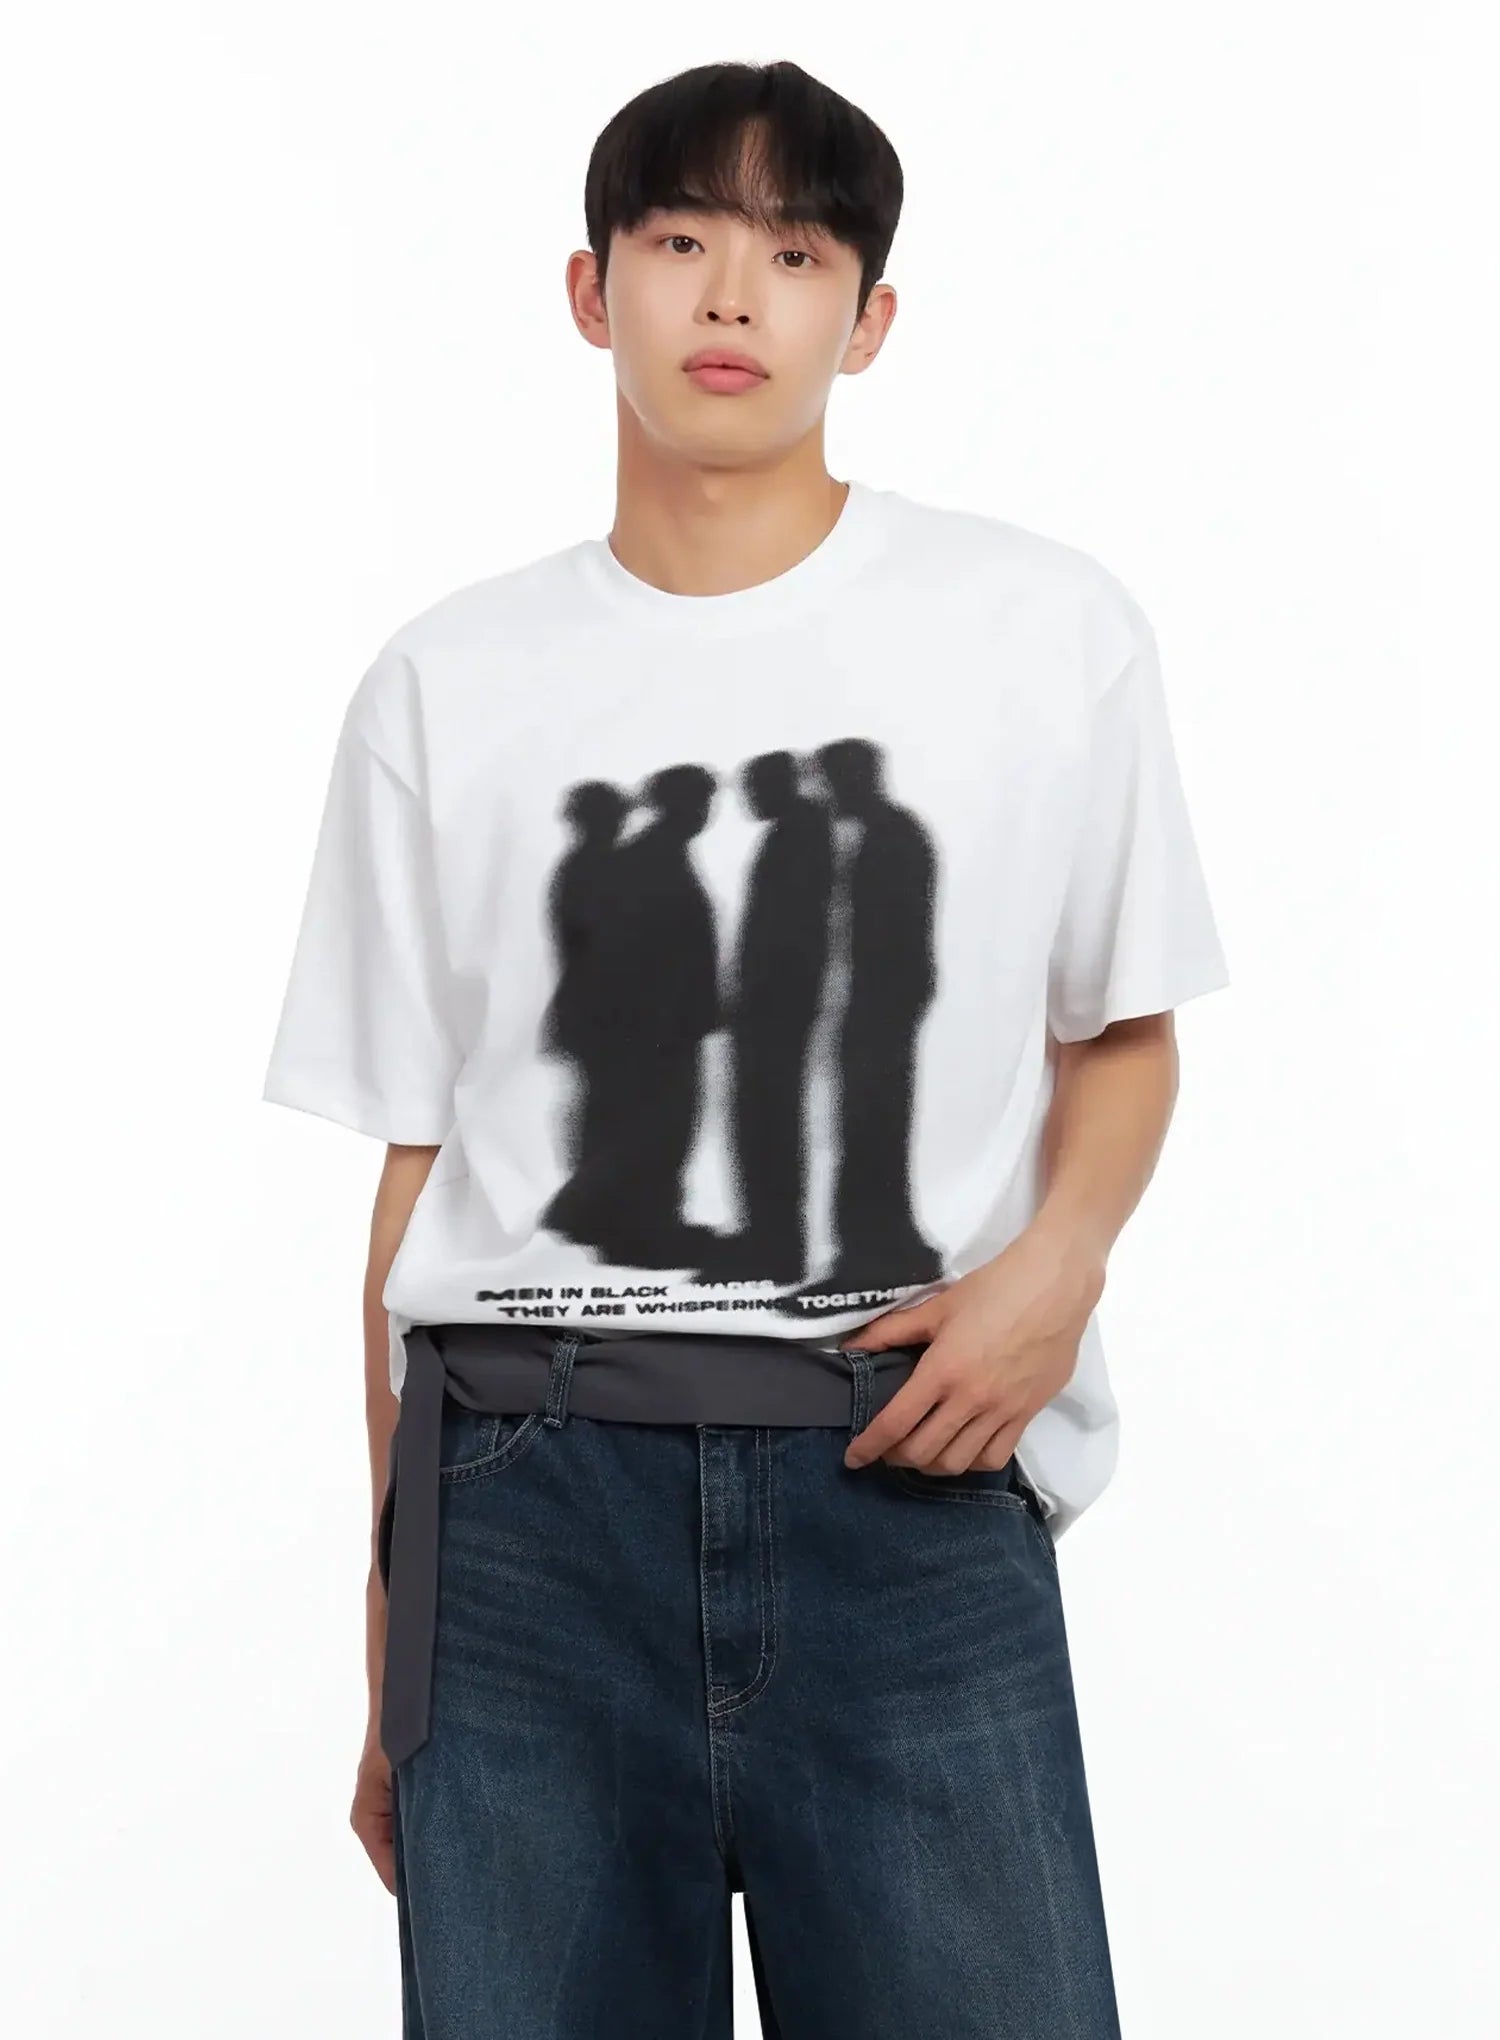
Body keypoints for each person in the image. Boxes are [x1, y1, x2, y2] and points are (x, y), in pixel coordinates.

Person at [261, 57, 1230, 2040]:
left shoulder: (1041, 629)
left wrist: (1056, 1274)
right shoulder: (447, 681)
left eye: (794, 256)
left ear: (869, 321)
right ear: (589, 288)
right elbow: (416, 1173)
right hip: (526, 1502)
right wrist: (391, 1635)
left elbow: (1124, 1028)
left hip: (907, 1469)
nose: (729, 296)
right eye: (681, 239)